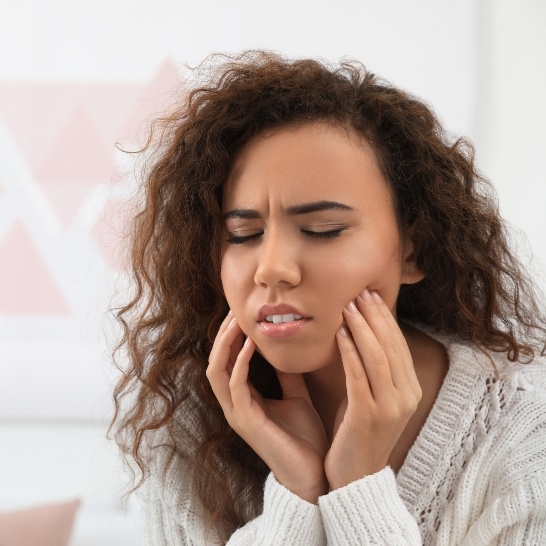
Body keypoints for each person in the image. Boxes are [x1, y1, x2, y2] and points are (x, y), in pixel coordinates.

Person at [110, 51, 546, 545]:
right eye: (242, 234)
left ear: (413, 249)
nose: (271, 267)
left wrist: (359, 489)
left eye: (323, 230)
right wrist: (297, 493)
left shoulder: (528, 434)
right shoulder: (188, 428)